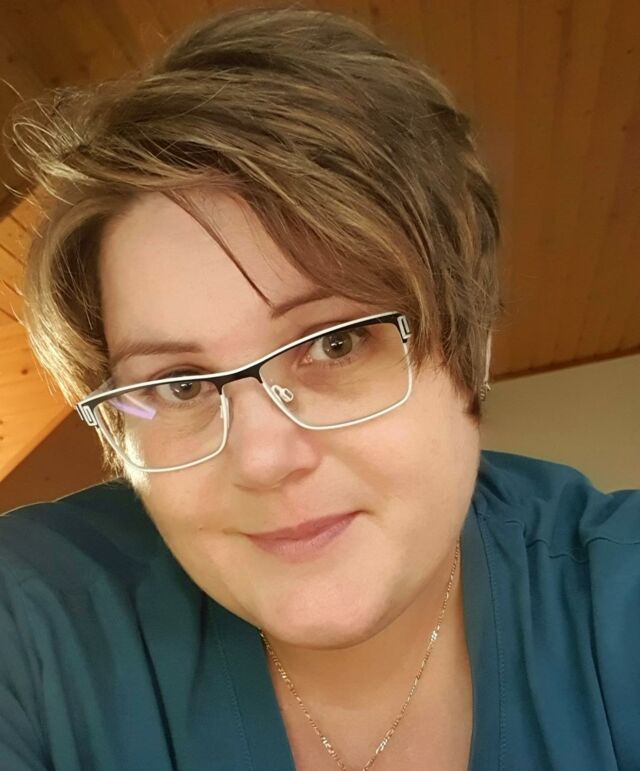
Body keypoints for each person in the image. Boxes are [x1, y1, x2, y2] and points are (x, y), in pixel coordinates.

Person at [1, 6, 638, 770]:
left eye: (336, 343)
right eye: (179, 384)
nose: (262, 459)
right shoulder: (32, 619)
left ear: (470, 346)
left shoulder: (616, 601)